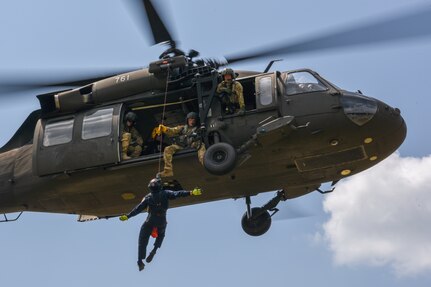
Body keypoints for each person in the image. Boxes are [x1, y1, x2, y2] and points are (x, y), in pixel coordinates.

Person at [119, 177, 202, 271]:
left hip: (150, 220)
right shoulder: (165, 193)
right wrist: (191, 192)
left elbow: (138, 209)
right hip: (162, 219)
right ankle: (154, 250)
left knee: (142, 239)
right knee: (161, 235)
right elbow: (177, 193)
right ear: (160, 186)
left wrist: (128, 216)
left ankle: (139, 260)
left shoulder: (148, 197)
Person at [152, 112, 206, 177]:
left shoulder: (198, 129)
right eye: (190, 119)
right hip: (182, 145)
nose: (192, 121)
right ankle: (168, 171)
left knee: (202, 151)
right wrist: (165, 129)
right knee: (168, 149)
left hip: (194, 145)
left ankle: (207, 164)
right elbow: (173, 131)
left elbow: (200, 138)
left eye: (194, 119)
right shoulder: (182, 128)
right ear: (187, 120)